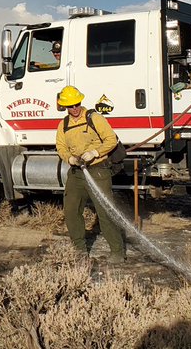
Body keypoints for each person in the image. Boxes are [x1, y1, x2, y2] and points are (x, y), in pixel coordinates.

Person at [55, 85, 127, 263]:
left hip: (97, 170)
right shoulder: (63, 125)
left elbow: (111, 139)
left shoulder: (94, 118)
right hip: (77, 172)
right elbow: (61, 147)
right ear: (65, 107)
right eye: (71, 106)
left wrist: (95, 153)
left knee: (105, 211)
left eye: (77, 103)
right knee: (71, 210)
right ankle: (79, 250)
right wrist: (69, 158)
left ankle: (118, 252)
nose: (75, 108)